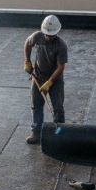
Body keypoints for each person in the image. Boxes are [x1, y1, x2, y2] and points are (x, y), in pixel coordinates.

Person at [24, 14, 67, 144]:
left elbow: (60, 68)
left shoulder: (61, 46)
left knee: (57, 108)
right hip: (38, 76)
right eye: (47, 34)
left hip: (55, 80)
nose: (49, 37)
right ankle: (36, 133)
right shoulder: (37, 36)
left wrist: (50, 82)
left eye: (51, 35)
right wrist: (27, 61)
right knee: (36, 106)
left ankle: (59, 133)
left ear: (57, 32)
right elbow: (27, 43)